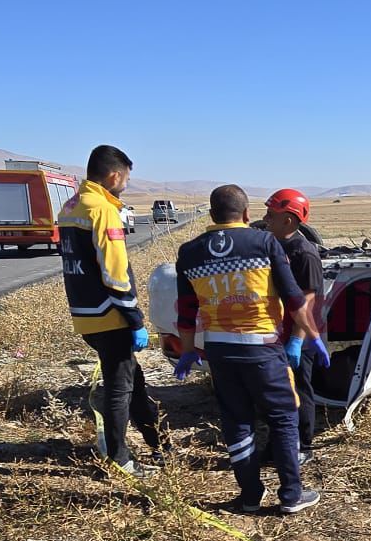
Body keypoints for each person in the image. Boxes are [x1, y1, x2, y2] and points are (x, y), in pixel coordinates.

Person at [173, 184, 327, 513]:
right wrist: (312, 336)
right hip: (262, 348)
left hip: (218, 350)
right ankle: (291, 495)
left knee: (237, 421)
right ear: (245, 214)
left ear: (211, 214)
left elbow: (185, 311)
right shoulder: (264, 243)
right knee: (283, 417)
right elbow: (295, 299)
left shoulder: (189, 252)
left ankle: (250, 496)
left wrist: (187, 350)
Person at [58, 144, 160, 474]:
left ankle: (158, 444)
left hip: (85, 313)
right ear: (114, 176)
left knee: (133, 380)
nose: (125, 186)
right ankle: (120, 459)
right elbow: (115, 273)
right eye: (126, 180)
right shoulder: (102, 210)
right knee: (120, 389)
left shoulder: (71, 206)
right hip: (109, 314)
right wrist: (135, 319)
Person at [259, 188, 323, 462]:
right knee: (277, 393)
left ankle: (303, 447)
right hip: (275, 333)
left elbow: (306, 302)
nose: (265, 218)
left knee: (299, 391)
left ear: (288, 219)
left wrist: (296, 340)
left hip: (300, 336)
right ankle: (277, 445)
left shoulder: (303, 253)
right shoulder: (270, 245)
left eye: (270, 214)